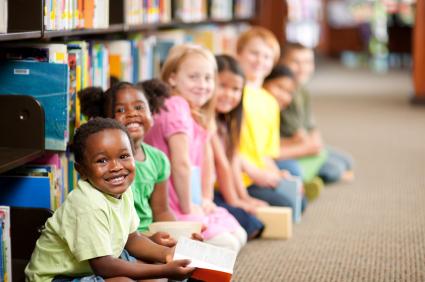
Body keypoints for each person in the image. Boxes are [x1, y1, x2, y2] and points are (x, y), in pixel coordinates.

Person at [25, 118, 194, 281]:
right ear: (81, 170)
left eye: (123, 156)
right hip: (60, 277)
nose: (116, 167)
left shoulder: (123, 190)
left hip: (97, 264)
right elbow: (103, 266)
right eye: (102, 160)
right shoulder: (87, 204)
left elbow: (132, 239)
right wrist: (163, 269)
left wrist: (168, 254)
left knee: (157, 276)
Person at [144, 43, 247, 251]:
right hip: (173, 203)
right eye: (194, 77)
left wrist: (206, 199)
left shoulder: (196, 111)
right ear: (172, 78)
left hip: (191, 196)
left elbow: (205, 163)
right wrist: (188, 207)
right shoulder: (175, 107)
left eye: (208, 78)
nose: (203, 84)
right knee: (228, 243)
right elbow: (181, 164)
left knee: (239, 234)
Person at [78, 81, 201, 247]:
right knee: (167, 267)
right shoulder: (110, 168)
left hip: (150, 234)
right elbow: (114, 227)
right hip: (121, 239)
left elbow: (162, 211)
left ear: (151, 111)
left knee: (191, 257)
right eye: (120, 110)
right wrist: (150, 242)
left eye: (139, 107)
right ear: (106, 119)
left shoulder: (158, 159)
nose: (131, 114)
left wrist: (181, 235)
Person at [235, 26, 307, 212]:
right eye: (254, 53)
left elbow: (265, 154)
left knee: (298, 202)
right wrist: (255, 172)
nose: (260, 60)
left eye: (267, 57)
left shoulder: (270, 102)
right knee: (285, 206)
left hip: (260, 175)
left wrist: (276, 173)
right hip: (238, 175)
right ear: (239, 53)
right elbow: (226, 147)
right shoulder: (233, 96)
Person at [280, 42, 354, 184]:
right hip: (289, 148)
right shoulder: (283, 95)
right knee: (334, 169)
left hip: (304, 145)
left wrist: (316, 143)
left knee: (347, 161)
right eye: (295, 62)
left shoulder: (302, 91)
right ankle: (309, 177)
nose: (303, 68)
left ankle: (312, 171)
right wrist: (310, 147)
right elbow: (297, 136)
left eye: (307, 62)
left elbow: (311, 127)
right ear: (282, 62)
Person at [212, 54, 266, 239]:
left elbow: (233, 161)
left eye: (236, 89)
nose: (229, 94)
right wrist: (235, 201)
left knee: (255, 219)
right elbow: (222, 166)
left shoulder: (227, 122)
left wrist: (244, 198)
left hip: (221, 190)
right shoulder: (208, 121)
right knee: (250, 224)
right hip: (206, 194)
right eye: (223, 86)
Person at [264, 64, 325, 201]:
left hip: (279, 155)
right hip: (265, 164)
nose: (284, 96)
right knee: (295, 168)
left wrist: (296, 142)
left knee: (324, 155)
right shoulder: (263, 107)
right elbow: (267, 153)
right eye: (279, 87)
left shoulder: (273, 109)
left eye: (289, 93)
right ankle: (303, 182)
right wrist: (303, 149)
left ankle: (304, 181)